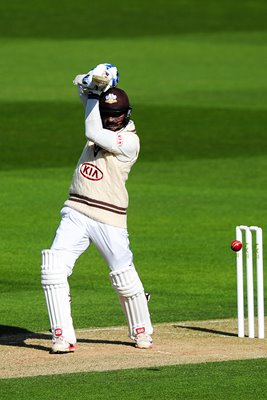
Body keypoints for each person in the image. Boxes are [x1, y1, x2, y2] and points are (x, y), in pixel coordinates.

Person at [41, 63, 153, 354]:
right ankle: (62, 337)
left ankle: (141, 329)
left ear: (126, 115)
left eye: (117, 115)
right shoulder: (101, 119)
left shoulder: (129, 141)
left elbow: (91, 126)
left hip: (109, 215)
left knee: (123, 277)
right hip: (76, 209)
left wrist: (93, 92)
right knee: (52, 269)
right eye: (108, 115)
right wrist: (92, 80)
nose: (112, 120)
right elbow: (79, 84)